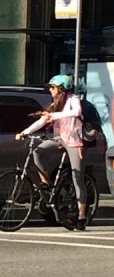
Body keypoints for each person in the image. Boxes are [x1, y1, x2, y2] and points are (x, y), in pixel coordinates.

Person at [16, 73, 87, 229]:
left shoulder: (72, 100)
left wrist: (55, 115)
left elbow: (76, 112)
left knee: (77, 178)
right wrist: (25, 132)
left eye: (52, 87)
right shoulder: (55, 103)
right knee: (37, 150)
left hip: (74, 142)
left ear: (61, 89)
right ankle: (46, 183)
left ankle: (81, 216)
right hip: (60, 139)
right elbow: (42, 120)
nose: (50, 90)